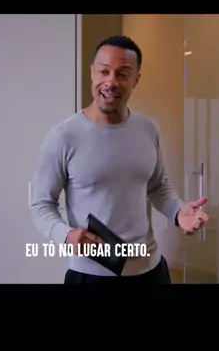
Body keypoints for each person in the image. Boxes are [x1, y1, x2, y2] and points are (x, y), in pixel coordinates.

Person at [30, 35, 209, 284]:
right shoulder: (64, 136)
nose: (111, 82)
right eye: (104, 71)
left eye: (122, 74)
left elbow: (158, 186)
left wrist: (179, 212)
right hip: (90, 275)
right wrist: (66, 235)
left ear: (136, 79)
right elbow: (41, 204)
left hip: (151, 271)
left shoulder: (148, 129)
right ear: (92, 73)